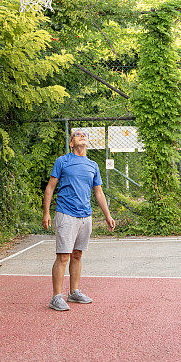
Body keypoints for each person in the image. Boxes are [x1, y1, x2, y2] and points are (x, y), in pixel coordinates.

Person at [43, 129, 116, 311]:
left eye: (84, 135)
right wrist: (46, 213)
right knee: (63, 256)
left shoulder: (93, 165)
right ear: (71, 143)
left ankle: (74, 292)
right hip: (66, 214)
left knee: (77, 255)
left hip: (86, 216)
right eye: (77, 134)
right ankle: (56, 297)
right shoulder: (63, 161)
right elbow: (50, 188)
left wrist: (107, 215)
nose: (82, 136)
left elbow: (98, 192)